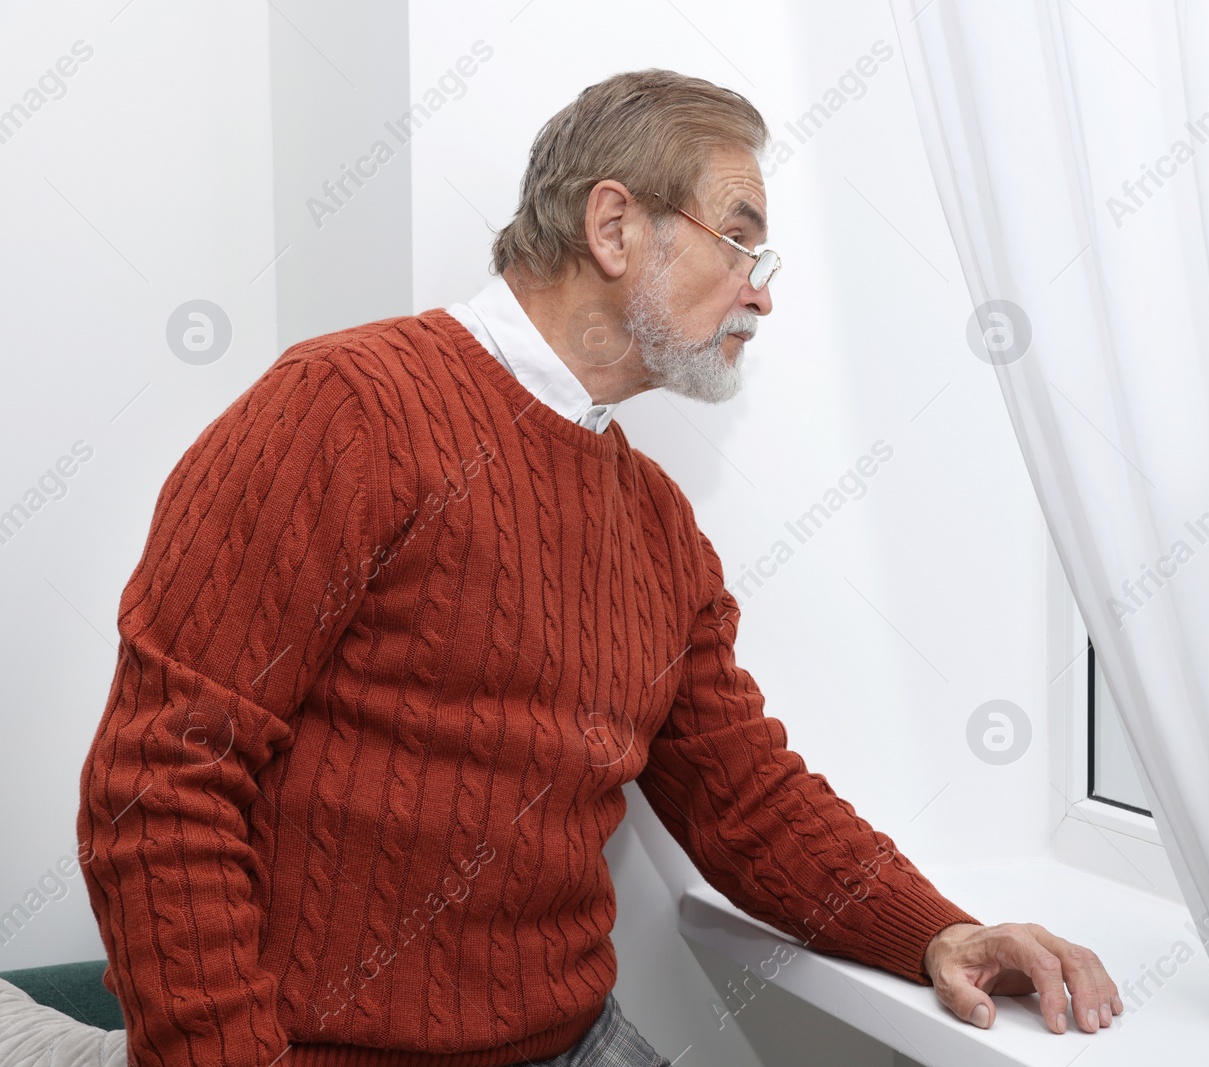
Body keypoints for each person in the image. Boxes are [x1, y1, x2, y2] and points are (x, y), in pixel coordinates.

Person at [76, 68, 1122, 1066]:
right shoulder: (343, 409)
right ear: (615, 226)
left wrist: (937, 931)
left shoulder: (658, 523)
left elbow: (742, 793)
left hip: (573, 1035)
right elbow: (159, 780)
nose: (760, 297)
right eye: (740, 243)